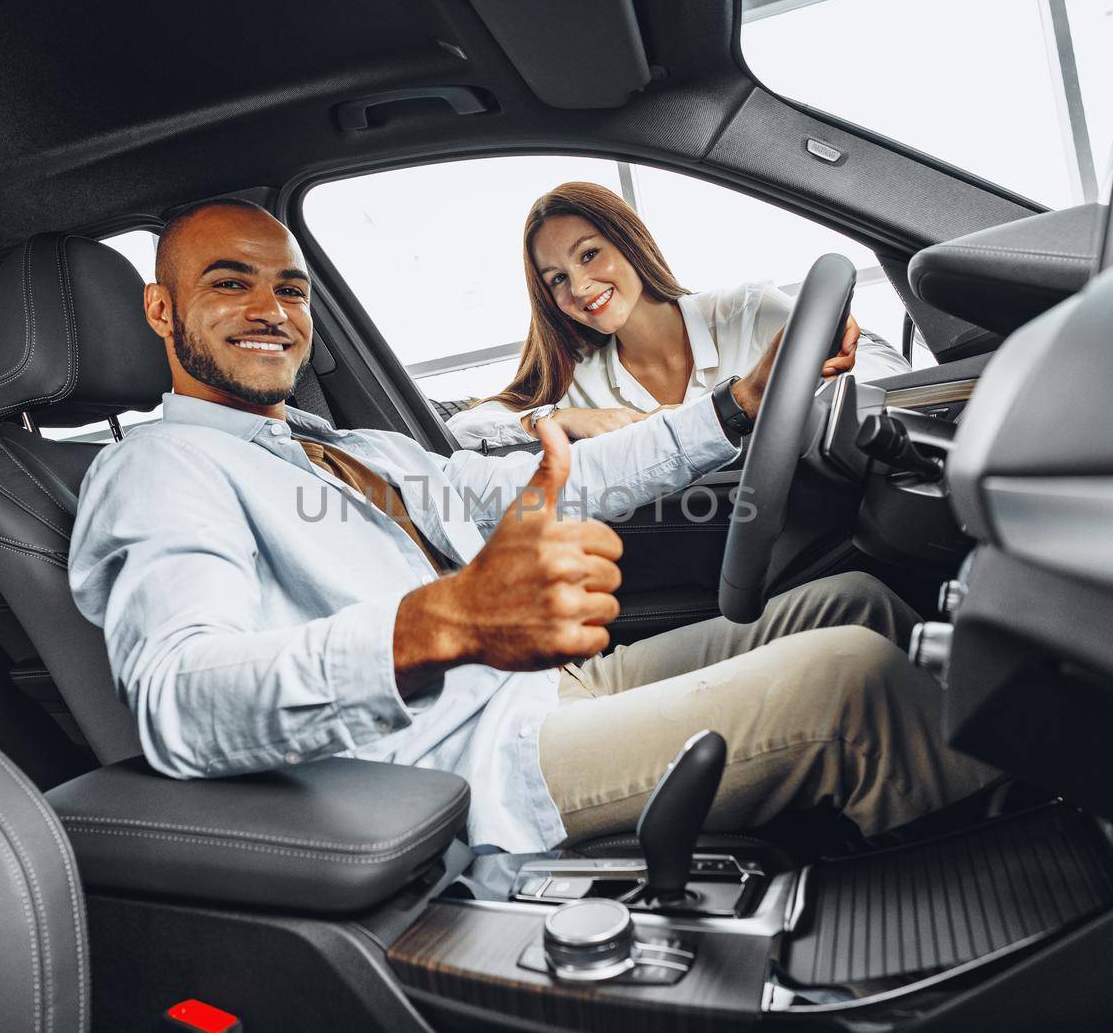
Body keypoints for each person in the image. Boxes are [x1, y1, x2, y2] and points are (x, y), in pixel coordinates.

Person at [68, 198, 997, 853]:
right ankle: (1034, 890)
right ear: (162, 310)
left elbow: (561, 478)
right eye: (231, 284)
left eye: (292, 289)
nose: (272, 311)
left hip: (545, 686)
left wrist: (736, 408)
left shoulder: (354, 448)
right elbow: (176, 700)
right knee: (854, 679)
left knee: (852, 602)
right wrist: (446, 621)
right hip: (463, 761)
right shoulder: (155, 467)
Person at [446, 181, 912, 451]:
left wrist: (816, 376)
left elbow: (892, 378)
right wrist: (550, 422)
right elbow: (460, 432)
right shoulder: (577, 385)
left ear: (629, 242)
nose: (580, 287)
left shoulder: (747, 312)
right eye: (557, 280)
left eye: (588, 256)